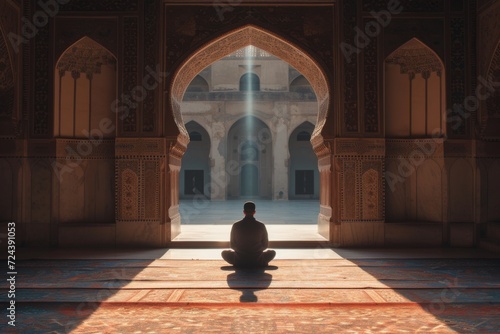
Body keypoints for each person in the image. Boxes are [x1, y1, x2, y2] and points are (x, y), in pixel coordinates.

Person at [221, 201, 276, 268]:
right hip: (257, 260)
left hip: (240, 260)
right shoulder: (261, 225)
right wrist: (255, 250)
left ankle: (240, 262)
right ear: (254, 212)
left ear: (244, 212)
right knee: (272, 252)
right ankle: (259, 262)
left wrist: (242, 250)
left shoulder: (236, 225)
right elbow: (265, 245)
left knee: (224, 253)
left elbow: (232, 245)